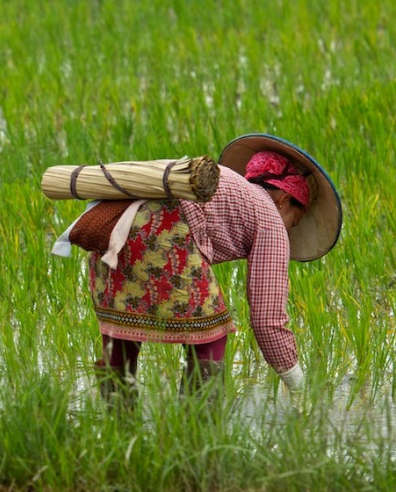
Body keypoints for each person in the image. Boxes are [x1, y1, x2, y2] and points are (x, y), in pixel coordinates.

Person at [74, 134, 342, 412]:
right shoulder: (271, 219)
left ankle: (118, 426)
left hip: (110, 228)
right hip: (165, 237)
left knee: (122, 330)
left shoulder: (231, 186)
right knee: (210, 336)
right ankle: (197, 431)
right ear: (284, 200)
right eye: (294, 221)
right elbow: (267, 320)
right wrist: (300, 388)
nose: (288, 230)